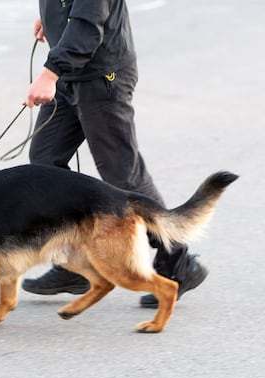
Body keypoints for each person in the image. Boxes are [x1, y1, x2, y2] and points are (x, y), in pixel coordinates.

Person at [20, 0, 208, 308]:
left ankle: (178, 262)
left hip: (101, 78)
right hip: (70, 74)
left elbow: (87, 26)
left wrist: (50, 73)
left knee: (122, 175)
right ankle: (76, 265)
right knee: (45, 162)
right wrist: (50, 16)